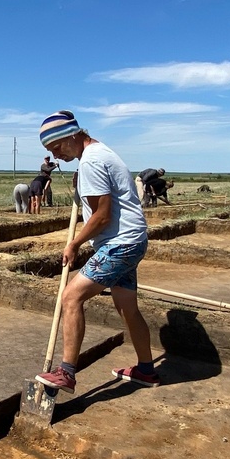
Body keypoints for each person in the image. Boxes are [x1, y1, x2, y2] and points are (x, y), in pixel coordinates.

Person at [34, 109, 156, 393]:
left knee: (71, 297)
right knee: (127, 307)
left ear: (72, 135)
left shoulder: (91, 161)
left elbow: (101, 216)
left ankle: (66, 373)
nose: (57, 156)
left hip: (119, 245)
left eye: (57, 147)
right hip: (131, 240)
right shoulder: (99, 154)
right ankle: (147, 370)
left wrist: (74, 244)